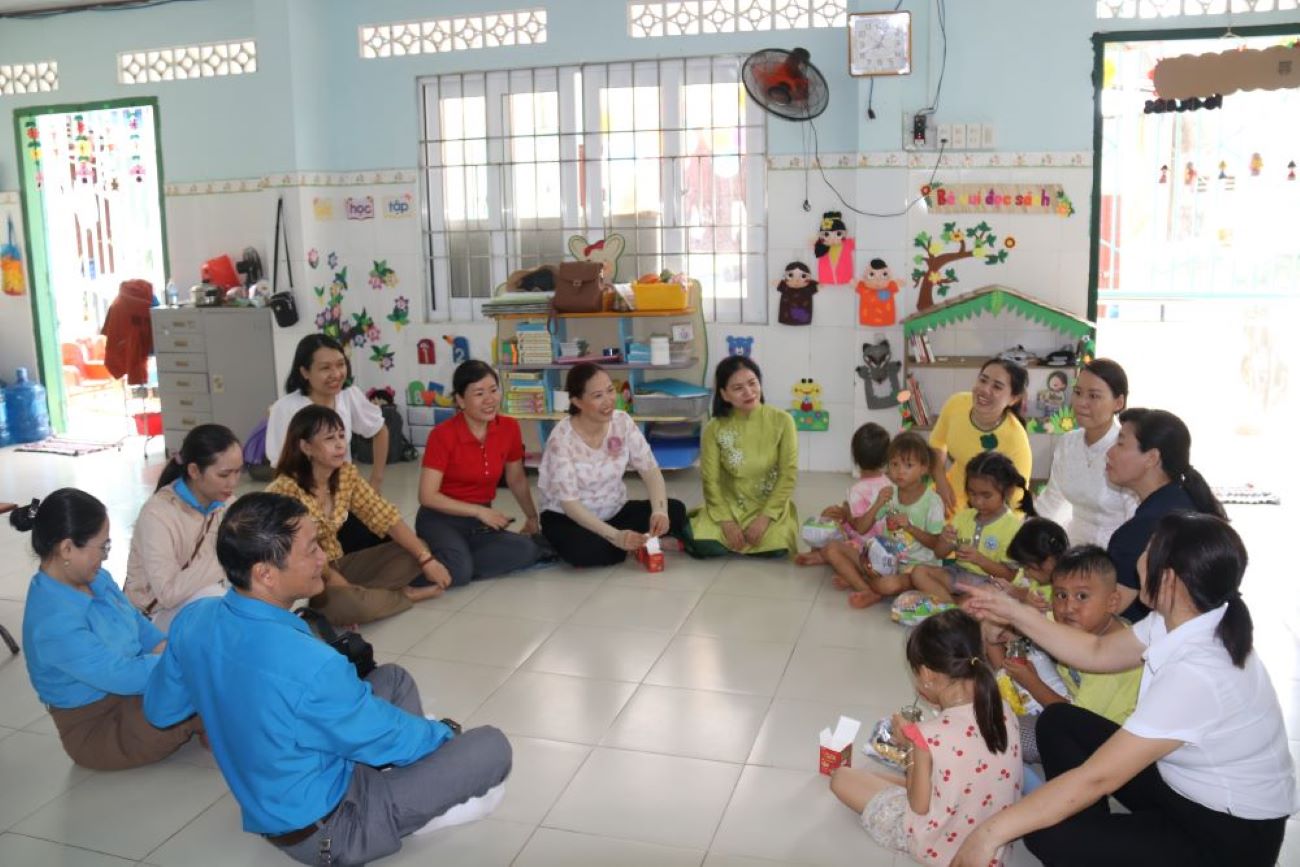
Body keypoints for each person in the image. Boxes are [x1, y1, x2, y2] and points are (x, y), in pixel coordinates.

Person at [144, 492, 512, 866]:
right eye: (310, 550)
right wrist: (445, 734)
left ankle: (406, 782)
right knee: (491, 747)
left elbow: (161, 710)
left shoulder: (194, 619)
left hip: (283, 797)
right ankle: (406, 807)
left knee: (393, 679)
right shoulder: (310, 663)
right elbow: (389, 737)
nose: (323, 558)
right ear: (265, 574)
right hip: (330, 830)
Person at [956, 514, 1297, 867]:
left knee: (1047, 835)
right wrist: (1013, 611)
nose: (1137, 560)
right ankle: (1089, 828)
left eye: (1148, 550)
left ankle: (1085, 831)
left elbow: (1099, 777)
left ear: (1169, 579)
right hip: (1178, 786)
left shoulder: (1199, 672)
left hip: (1226, 836)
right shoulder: (1182, 618)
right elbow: (1095, 652)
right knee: (1059, 721)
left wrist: (988, 833)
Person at [14, 489, 201, 770]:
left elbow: (138, 625)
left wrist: (169, 650)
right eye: (102, 547)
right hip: (98, 727)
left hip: (134, 691)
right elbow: (121, 675)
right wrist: (180, 663)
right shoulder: (51, 623)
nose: (104, 556)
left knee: (207, 677)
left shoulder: (97, 578)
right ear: (67, 549)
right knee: (201, 690)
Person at [830, 609, 1021, 867]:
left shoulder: (928, 736)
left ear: (928, 675)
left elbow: (918, 806)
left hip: (939, 844)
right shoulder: (1004, 710)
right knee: (876, 777)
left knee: (842, 777)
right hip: (991, 843)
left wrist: (911, 747)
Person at [267, 406, 449, 625]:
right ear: (306, 447)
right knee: (354, 606)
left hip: (338, 562)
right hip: (305, 577)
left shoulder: (345, 474)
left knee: (415, 549)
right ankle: (399, 597)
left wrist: (426, 559)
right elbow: (300, 555)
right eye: (329, 438)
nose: (340, 444)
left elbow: (385, 516)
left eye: (342, 436)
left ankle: (358, 598)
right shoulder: (285, 490)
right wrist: (343, 586)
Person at [537, 363, 688, 567]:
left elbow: (650, 471)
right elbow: (570, 504)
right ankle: (626, 543)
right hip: (568, 517)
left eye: (610, 390)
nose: (609, 400)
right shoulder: (561, 440)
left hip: (614, 511)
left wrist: (659, 511)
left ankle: (631, 542)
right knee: (591, 552)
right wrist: (615, 536)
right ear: (577, 401)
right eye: (598, 395)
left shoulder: (622, 422)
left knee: (675, 510)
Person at [415, 360, 548, 585]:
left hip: (479, 523)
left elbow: (516, 478)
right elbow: (427, 496)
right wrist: (478, 511)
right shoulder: (442, 435)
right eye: (479, 393)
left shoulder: (509, 428)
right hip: (441, 519)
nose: (489, 400)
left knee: (527, 549)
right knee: (459, 572)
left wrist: (532, 517)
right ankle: (433, 560)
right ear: (460, 400)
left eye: (494, 390)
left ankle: (453, 557)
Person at [266, 334, 389, 553]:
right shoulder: (285, 409)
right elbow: (280, 469)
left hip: (345, 497)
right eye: (325, 368)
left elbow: (379, 430)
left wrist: (375, 482)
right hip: (306, 508)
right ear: (304, 372)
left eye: (341, 365)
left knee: (387, 542)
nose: (336, 374)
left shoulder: (349, 396)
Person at [1104, 407, 1225, 622]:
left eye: (1120, 444)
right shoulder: (1182, 498)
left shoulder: (1146, 527)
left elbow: (1102, 612)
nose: (1110, 452)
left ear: (1151, 457)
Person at [125, 424, 243, 630]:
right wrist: (229, 557)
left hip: (200, 595)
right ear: (194, 470)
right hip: (151, 617)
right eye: (224, 475)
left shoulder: (227, 504)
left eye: (238, 472)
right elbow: (168, 594)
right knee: (222, 608)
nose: (233, 482)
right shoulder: (158, 513)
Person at [688, 356, 800, 557]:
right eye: (738, 388)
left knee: (777, 550)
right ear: (724, 394)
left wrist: (765, 518)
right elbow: (710, 481)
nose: (749, 392)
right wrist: (727, 522)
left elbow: (788, 475)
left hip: (769, 506)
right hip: (728, 506)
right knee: (705, 546)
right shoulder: (714, 428)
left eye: (752, 383)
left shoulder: (783, 421)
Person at [1035, 359, 1136, 547]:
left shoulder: (1127, 450)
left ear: (1118, 402)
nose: (1081, 403)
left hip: (1116, 553)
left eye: (1094, 396)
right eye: (1078, 393)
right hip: (1073, 549)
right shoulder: (1068, 443)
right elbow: (1052, 501)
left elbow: (1136, 521)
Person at [911, 451, 1034, 605]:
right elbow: (939, 553)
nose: (978, 501)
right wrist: (944, 539)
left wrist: (980, 560)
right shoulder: (963, 517)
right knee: (919, 573)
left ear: (1007, 492)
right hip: (958, 574)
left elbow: (1009, 575)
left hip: (992, 582)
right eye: (972, 493)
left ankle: (953, 605)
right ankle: (952, 607)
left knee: (979, 598)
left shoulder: (1012, 527)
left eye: (986, 495)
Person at [929, 358, 1032, 514]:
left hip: (986, 507)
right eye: (983, 380)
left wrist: (995, 526)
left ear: (1013, 399)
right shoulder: (956, 404)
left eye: (997, 387)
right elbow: (937, 443)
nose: (985, 390)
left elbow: (1017, 498)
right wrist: (941, 481)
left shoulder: (1015, 438)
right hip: (949, 491)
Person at [795, 421, 892, 568]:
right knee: (832, 514)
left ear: (855, 456)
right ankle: (823, 555)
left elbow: (860, 527)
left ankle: (822, 555)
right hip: (885, 544)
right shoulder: (888, 483)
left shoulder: (858, 490)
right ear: (887, 458)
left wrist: (846, 512)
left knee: (826, 517)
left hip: (863, 547)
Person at [1004, 517, 1069, 610]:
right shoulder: (1040, 580)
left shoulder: (1067, 592)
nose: (1026, 573)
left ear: (1049, 561)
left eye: (1030, 567)